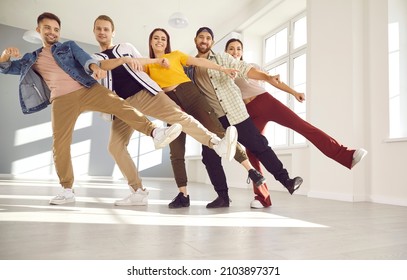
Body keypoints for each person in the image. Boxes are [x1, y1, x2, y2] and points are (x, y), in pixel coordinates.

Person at [0, 12, 184, 205]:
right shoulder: (32, 58)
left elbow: (85, 59)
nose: (52, 32)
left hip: (87, 89)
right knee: (60, 144)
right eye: (47, 28)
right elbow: (7, 68)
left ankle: (155, 132)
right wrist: (5, 55)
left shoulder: (68, 47)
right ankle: (67, 189)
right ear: (39, 30)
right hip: (61, 101)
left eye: (56, 29)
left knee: (120, 104)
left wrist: (95, 68)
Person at [91, 15, 238, 206]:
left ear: (113, 32)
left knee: (179, 117)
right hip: (122, 105)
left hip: (144, 93)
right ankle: (138, 191)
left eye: (106, 29)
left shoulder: (125, 47)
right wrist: (122, 62)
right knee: (115, 146)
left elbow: (145, 61)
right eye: (99, 29)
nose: (102, 32)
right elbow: (100, 68)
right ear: (94, 32)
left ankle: (216, 143)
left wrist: (154, 63)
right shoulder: (94, 59)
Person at [224, 38, 368, 208]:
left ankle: (347, 156)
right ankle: (262, 197)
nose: (235, 52)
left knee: (302, 126)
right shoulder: (222, 73)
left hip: (266, 102)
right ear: (225, 52)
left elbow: (273, 80)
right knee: (253, 152)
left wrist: (293, 92)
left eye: (238, 49)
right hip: (247, 113)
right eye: (231, 49)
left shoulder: (250, 66)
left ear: (242, 52)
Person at [146, 28, 266, 208]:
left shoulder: (177, 56)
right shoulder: (147, 64)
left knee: (218, 133)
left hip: (191, 96)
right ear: (150, 41)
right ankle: (183, 195)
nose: (160, 41)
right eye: (156, 38)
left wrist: (222, 68)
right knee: (176, 151)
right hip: (171, 105)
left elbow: (202, 62)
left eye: (163, 38)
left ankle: (252, 171)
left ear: (167, 41)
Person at [186, 27, 304, 208]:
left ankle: (286, 180)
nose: (204, 40)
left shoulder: (222, 58)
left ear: (212, 42)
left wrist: (267, 76)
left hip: (235, 112)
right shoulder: (190, 66)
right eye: (201, 37)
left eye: (208, 38)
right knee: (209, 157)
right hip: (212, 119)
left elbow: (244, 69)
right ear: (195, 40)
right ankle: (223, 197)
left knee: (259, 145)